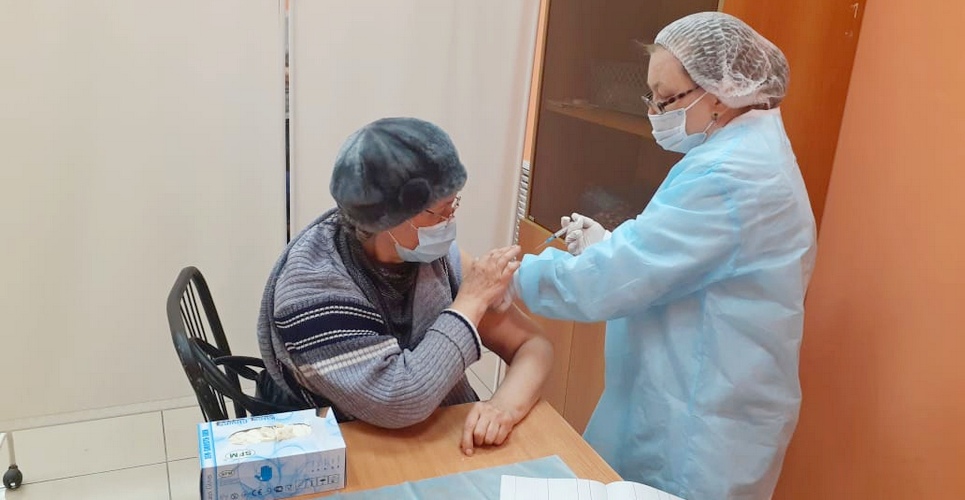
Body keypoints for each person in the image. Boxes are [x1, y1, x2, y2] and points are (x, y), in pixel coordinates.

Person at [512, 12, 817, 500]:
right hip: (699, 396)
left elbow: (607, 284)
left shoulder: (730, 174)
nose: (655, 112)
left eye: (667, 98)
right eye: (650, 97)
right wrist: (610, 245)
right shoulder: (743, 149)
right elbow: (686, 259)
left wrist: (505, 276)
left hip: (699, 428)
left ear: (721, 93)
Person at [257, 117, 553, 455]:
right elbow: (400, 399)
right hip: (352, 447)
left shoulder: (433, 257)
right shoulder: (312, 288)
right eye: (440, 211)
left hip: (432, 437)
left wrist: (503, 407)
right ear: (389, 218)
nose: (450, 220)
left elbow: (533, 345)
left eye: (454, 204)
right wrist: (471, 300)